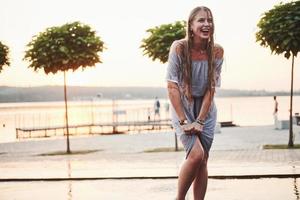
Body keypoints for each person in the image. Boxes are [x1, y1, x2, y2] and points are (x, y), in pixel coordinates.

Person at [166, 6, 223, 200]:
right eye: (201, 20)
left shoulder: (217, 51)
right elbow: (172, 86)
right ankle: (179, 198)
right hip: (182, 107)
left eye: (209, 20)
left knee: (203, 160)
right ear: (191, 25)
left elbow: (211, 88)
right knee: (196, 155)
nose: (206, 24)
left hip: (205, 110)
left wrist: (200, 120)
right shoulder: (179, 47)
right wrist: (184, 121)